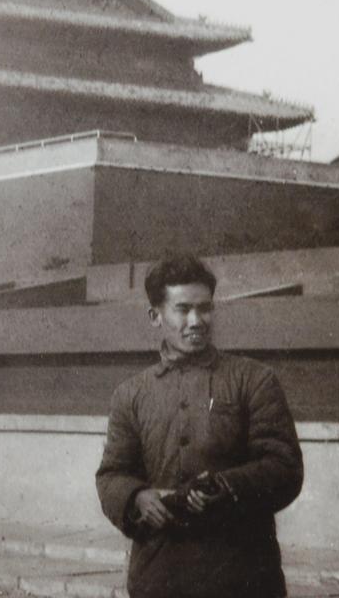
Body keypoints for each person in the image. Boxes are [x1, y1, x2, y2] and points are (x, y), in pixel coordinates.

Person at [95, 253, 303, 598]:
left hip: (243, 576)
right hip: (160, 577)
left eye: (205, 308)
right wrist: (137, 498)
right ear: (155, 316)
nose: (197, 320)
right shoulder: (130, 394)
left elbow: (285, 468)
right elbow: (111, 474)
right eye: (183, 309)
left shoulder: (253, 380)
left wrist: (227, 485)